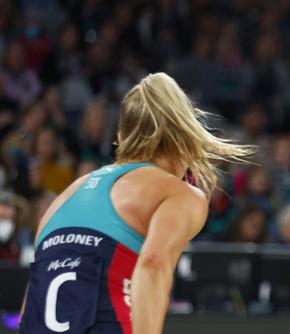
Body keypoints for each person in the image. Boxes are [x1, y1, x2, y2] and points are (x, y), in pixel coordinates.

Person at [19, 72, 251, 333]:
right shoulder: (179, 193)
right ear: (183, 136)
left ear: (121, 133)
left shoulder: (64, 198)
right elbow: (153, 264)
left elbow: (30, 308)